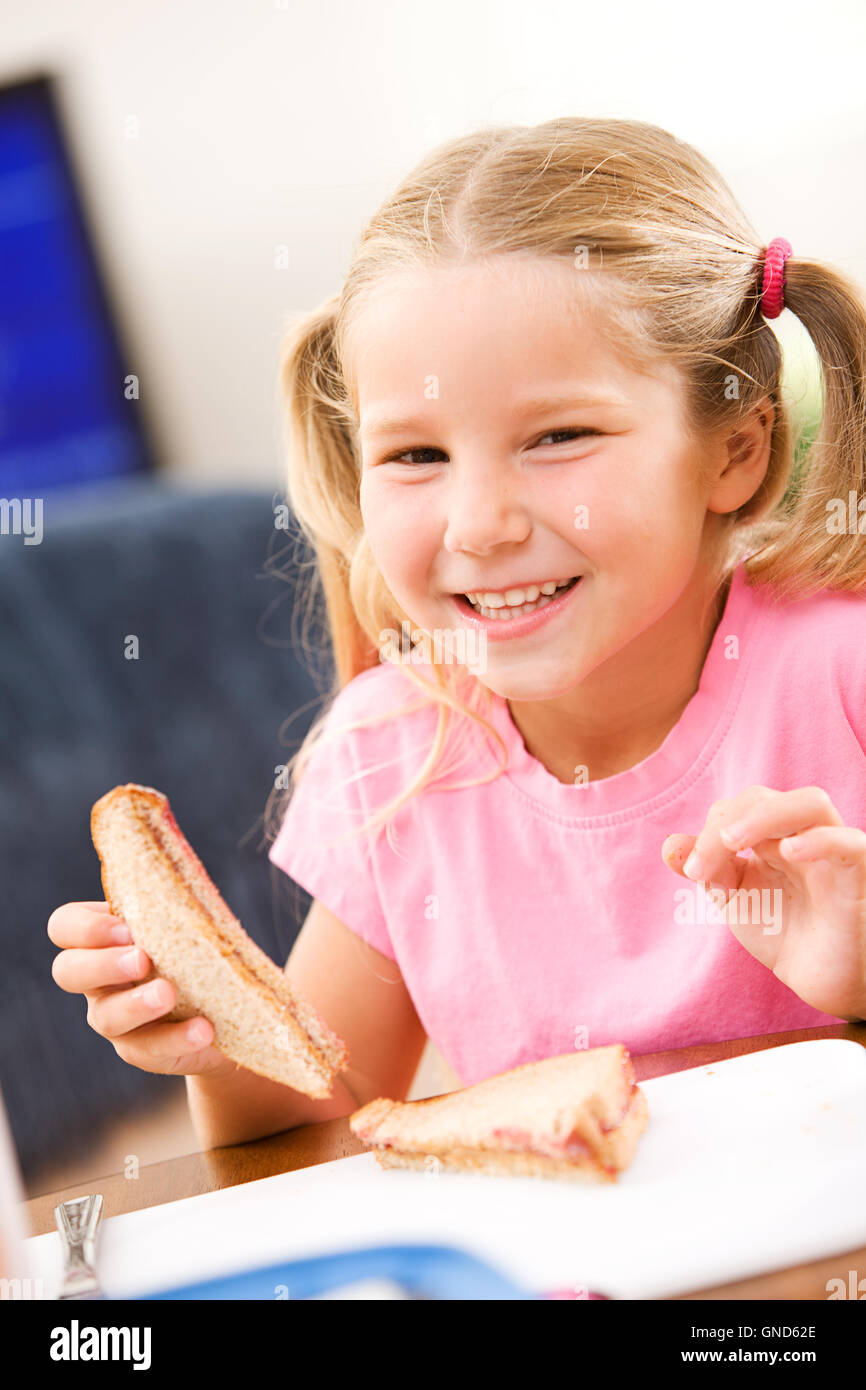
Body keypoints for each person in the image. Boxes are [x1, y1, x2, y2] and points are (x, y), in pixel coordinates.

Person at [48, 118, 866, 1150]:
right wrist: (210, 1041)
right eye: (415, 454)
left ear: (734, 451)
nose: (479, 524)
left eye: (558, 437)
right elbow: (307, 1129)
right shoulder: (395, 750)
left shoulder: (841, 674)